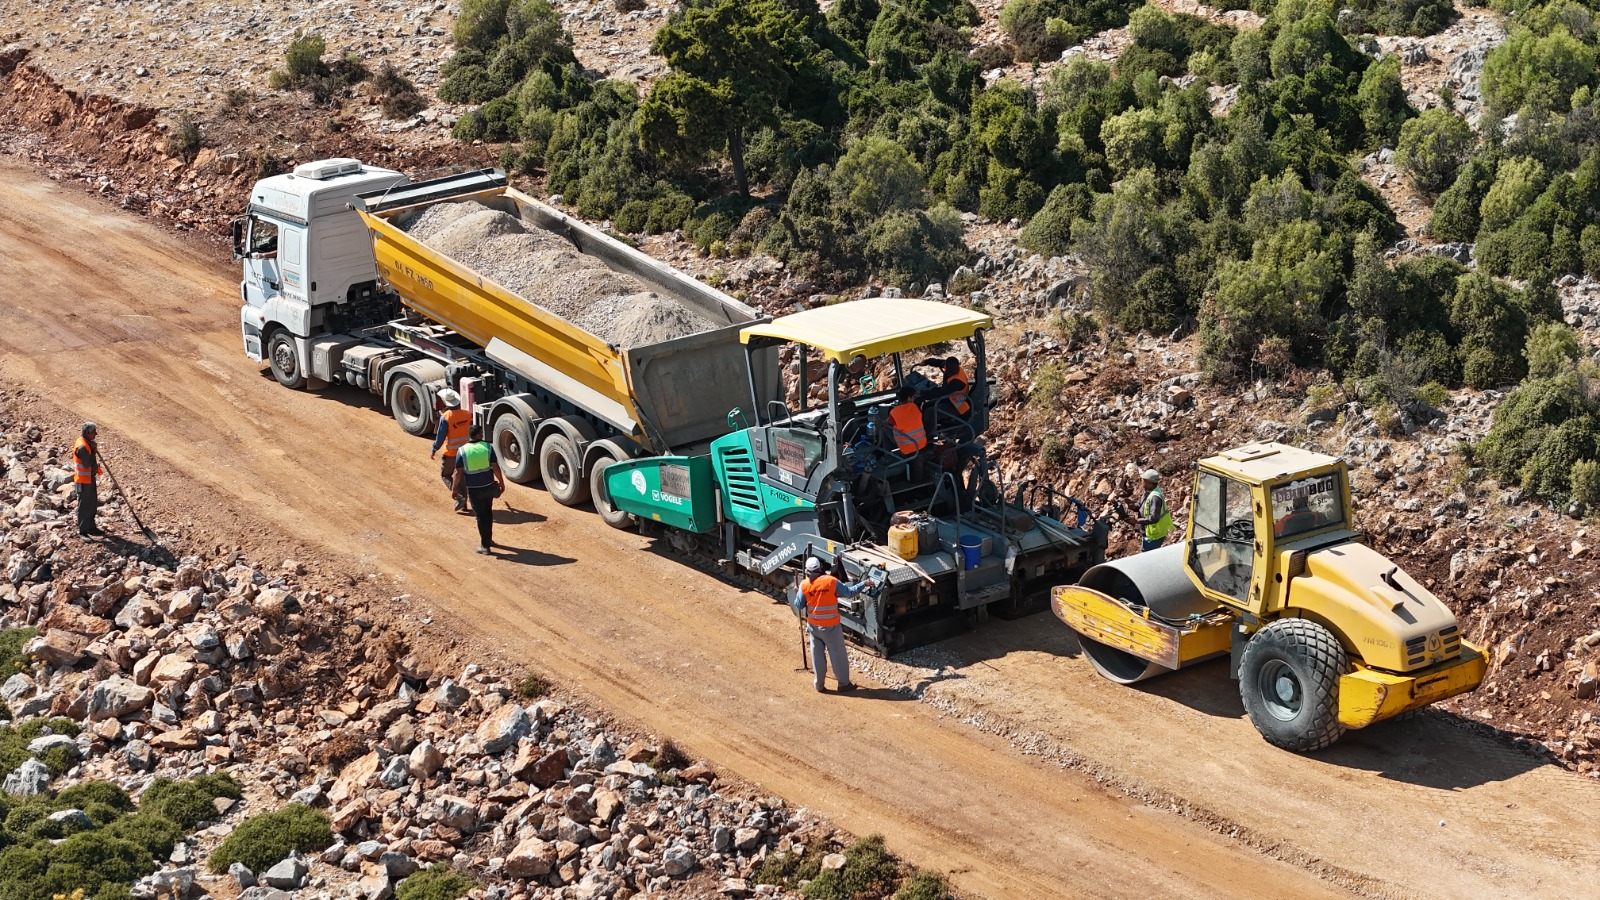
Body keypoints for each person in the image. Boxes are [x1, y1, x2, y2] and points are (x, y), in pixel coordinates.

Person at [794, 556, 869, 693]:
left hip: (814, 627)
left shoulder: (804, 585)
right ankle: (843, 684)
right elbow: (849, 592)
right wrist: (864, 583)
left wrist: (797, 591)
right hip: (831, 627)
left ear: (807, 571)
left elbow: (799, 604)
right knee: (838, 655)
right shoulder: (831, 581)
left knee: (817, 656)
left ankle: (819, 685)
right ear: (820, 568)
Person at [452, 425, 505, 554]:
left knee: (481, 517)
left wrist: (454, 489)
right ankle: (488, 540)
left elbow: (457, 472)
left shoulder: (463, 450)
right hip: (488, 486)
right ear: (479, 435)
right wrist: (501, 482)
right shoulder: (487, 447)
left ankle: (485, 546)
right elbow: (495, 467)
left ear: (469, 435)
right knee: (488, 513)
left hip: (474, 490)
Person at [430, 389, 471, 512]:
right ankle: (464, 505)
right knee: (461, 476)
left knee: (446, 475)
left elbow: (440, 437)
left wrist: (434, 449)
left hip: (452, 454)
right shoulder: (467, 414)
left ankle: (459, 497)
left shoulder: (446, 418)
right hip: (466, 452)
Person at [73, 422, 104, 539]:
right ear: (87, 433)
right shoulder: (82, 447)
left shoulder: (86, 443)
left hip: (89, 479)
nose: (96, 434)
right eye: (94, 432)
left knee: (91, 504)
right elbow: (87, 464)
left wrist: (92, 447)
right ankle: (83, 531)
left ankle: (91, 527)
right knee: (84, 506)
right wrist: (93, 450)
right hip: (83, 480)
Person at [1135, 469, 1173, 552]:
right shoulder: (1148, 491)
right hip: (1148, 533)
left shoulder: (1155, 497)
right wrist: (1131, 505)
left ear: (1149, 483)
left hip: (1154, 535)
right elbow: (1140, 506)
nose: (1141, 481)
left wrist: (1137, 521)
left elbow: (1154, 518)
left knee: (1147, 557)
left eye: (1143, 480)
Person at [886, 386, 928, 457]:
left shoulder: (894, 412)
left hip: (907, 449)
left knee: (885, 428)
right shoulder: (915, 407)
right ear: (909, 398)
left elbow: (888, 423)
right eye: (913, 397)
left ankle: (887, 453)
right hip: (922, 444)